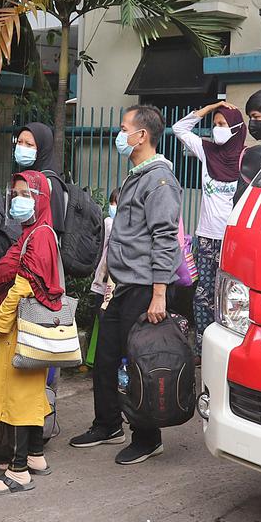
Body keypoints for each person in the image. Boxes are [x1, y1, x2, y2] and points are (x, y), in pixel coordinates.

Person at [70, 105, 181, 466]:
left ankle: (148, 438)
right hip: (120, 286)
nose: (119, 135)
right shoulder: (138, 174)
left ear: (141, 135)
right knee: (105, 359)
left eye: (123, 128)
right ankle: (107, 424)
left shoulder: (160, 180)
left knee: (139, 365)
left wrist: (159, 294)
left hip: (145, 289)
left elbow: (165, 237)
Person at [0, 170, 64, 495]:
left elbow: (24, 285)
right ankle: (35, 455)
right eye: (15, 194)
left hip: (15, 329)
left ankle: (18, 470)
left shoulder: (39, 234)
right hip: (18, 328)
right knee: (27, 393)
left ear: (41, 199)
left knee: (18, 396)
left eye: (27, 194)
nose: (18, 200)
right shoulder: (33, 232)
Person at [172, 101, 245, 350]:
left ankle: (229, 345)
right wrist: (210, 107)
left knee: (231, 295)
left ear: (235, 128)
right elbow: (179, 129)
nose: (217, 129)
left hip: (232, 240)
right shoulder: (207, 151)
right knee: (202, 296)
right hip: (205, 237)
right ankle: (203, 347)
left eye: (223, 124)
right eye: (215, 124)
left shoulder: (246, 158)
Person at [14, 122, 65, 232]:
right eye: (19, 142)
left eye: (29, 144)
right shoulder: (24, 175)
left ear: (43, 148)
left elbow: (54, 227)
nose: (22, 147)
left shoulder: (51, 182)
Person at [89, 188, 120, 299]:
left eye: (115, 203)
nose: (112, 207)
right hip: (105, 280)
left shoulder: (110, 223)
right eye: (111, 203)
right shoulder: (109, 222)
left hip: (105, 281)